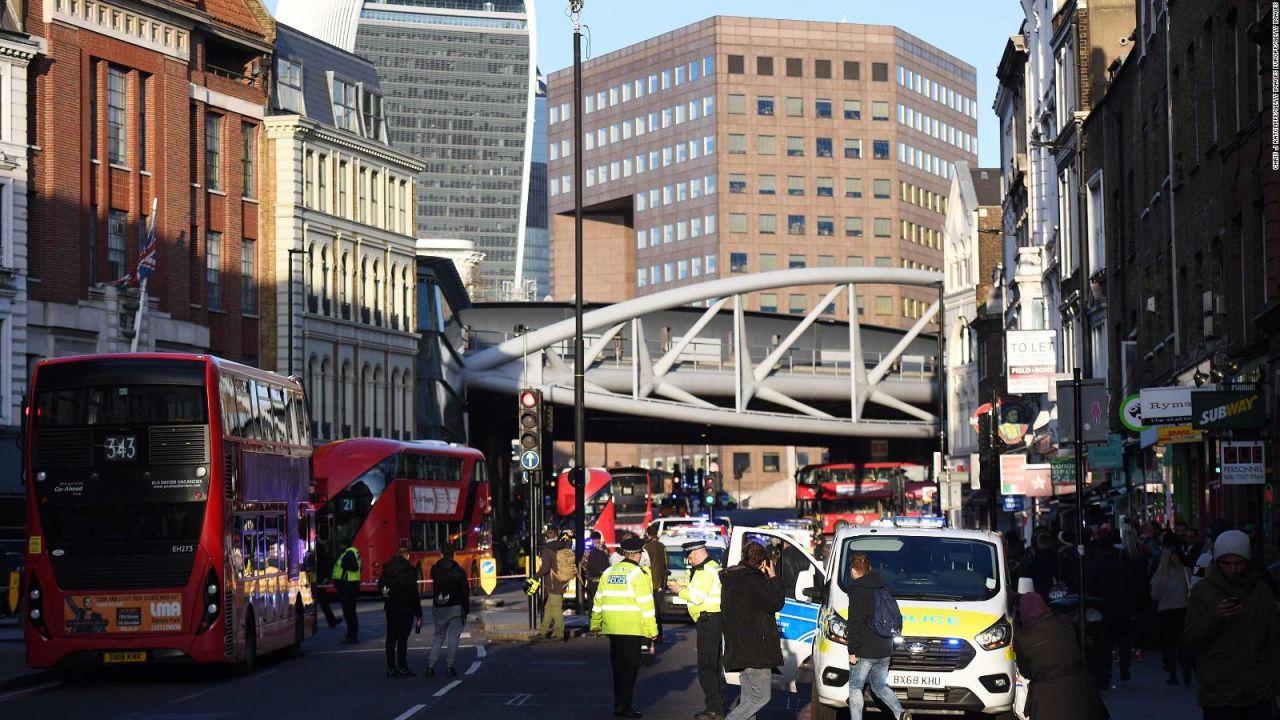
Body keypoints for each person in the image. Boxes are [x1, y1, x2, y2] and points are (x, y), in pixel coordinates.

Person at [1184, 529, 1280, 719]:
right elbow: (1191, 638)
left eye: (1238, 563)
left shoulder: (1261, 592)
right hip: (1219, 692)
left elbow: (1273, 641)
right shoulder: (1203, 576)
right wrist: (1216, 616)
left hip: (1256, 690)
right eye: (1226, 563)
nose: (1233, 569)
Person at [1013, 592, 1110, 720]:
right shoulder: (1064, 621)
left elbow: (1025, 672)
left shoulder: (1022, 639)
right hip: (1080, 688)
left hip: (1048, 697)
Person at [591, 536, 658, 719]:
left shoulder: (609, 572)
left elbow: (598, 600)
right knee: (629, 670)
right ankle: (625, 706)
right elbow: (646, 605)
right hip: (631, 629)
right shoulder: (638, 574)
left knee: (618, 668)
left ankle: (618, 704)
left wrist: (595, 623)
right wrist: (652, 630)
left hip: (613, 628)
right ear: (637, 555)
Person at [720, 542, 785, 720]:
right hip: (756, 648)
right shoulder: (754, 580)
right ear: (763, 562)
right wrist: (773, 578)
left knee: (748, 698)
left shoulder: (732, 578)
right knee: (762, 696)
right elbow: (775, 603)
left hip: (739, 645)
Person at [844, 551, 910, 720]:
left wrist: (852, 650)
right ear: (870, 568)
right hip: (885, 647)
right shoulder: (882, 586)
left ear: (853, 571)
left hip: (865, 649)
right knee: (880, 686)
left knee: (855, 687)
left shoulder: (857, 591)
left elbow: (855, 623)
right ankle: (900, 713)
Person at [668, 540, 724, 720]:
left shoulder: (704, 571)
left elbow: (696, 596)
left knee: (706, 666)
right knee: (713, 665)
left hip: (709, 621)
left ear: (699, 553)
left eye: (690, 557)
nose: (690, 561)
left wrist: (679, 590)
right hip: (714, 620)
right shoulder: (714, 566)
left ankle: (714, 709)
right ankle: (716, 706)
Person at [1084, 531, 1136, 688]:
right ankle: (1124, 665)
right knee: (1123, 641)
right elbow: (1130, 588)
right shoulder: (1123, 566)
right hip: (1122, 609)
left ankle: (1107, 673)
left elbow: (1090, 589)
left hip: (1104, 610)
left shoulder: (1095, 567)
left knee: (1105, 644)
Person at [1149, 538, 1190, 686]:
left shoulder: (1160, 575)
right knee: (1182, 642)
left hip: (1166, 611)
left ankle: (1173, 674)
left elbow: (1154, 595)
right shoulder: (1187, 571)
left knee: (1169, 643)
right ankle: (1186, 669)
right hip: (1183, 609)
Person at [427, 543, 470, 678]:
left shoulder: (434, 570)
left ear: (441, 553)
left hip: (439, 606)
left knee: (438, 636)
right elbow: (465, 592)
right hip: (456, 606)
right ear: (454, 554)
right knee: (453, 637)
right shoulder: (460, 571)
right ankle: (449, 667)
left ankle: (430, 666)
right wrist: (466, 609)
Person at [378, 547, 421, 677]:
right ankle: (402, 667)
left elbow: (380, 585)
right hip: (405, 608)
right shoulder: (409, 571)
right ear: (407, 556)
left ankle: (391, 667)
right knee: (402, 639)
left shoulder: (387, 568)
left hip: (390, 607)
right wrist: (418, 613)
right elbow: (413, 593)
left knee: (390, 638)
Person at [532, 528, 574, 642]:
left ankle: (559, 633)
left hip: (553, 582)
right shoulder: (562, 545)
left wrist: (534, 576)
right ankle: (543, 631)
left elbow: (545, 569)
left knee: (556, 609)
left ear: (547, 537)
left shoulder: (547, 550)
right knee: (548, 608)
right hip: (562, 581)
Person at [332, 536, 361, 644]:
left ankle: (352, 636)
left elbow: (355, 567)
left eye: (340, 544)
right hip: (350, 586)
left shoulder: (349, 553)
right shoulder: (352, 552)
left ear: (343, 544)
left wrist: (344, 567)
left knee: (349, 613)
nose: (339, 546)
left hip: (348, 586)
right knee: (350, 612)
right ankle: (351, 635)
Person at [643, 529, 669, 643]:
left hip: (648, 583)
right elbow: (666, 564)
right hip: (659, 583)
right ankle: (659, 635)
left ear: (648, 534)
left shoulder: (646, 547)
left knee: (649, 611)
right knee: (657, 611)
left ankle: (651, 634)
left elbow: (644, 564)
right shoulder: (662, 546)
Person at [581, 530, 612, 616]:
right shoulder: (605, 550)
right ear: (599, 538)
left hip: (592, 581)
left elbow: (583, 565)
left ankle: (593, 624)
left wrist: (587, 574)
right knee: (602, 603)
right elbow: (610, 563)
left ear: (591, 539)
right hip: (603, 581)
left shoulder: (588, 551)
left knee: (592, 603)